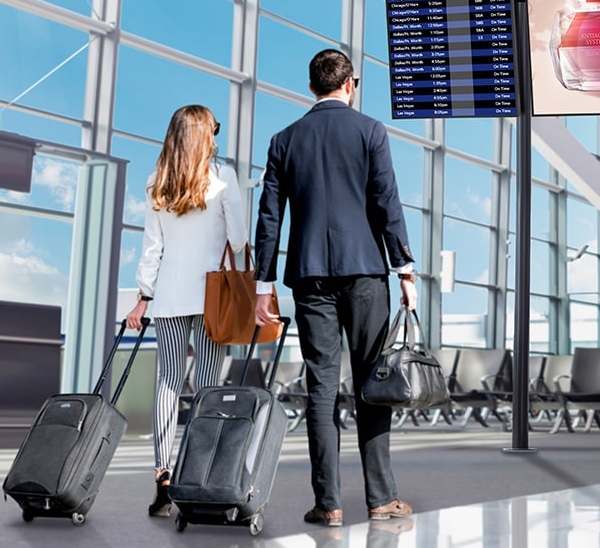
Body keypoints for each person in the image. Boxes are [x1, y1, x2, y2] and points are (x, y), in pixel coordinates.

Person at [253, 49, 417, 528]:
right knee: (372, 383)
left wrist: (264, 285)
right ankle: (382, 498)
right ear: (352, 84)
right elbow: (387, 201)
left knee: (321, 388)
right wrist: (404, 270)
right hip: (365, 272)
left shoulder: (284, 140)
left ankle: (328, 504)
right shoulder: (370, 131)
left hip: (308, 276)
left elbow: (269, 218)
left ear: (311, 88)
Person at [126, 104, 247, 517]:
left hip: (170, 299)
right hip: (214, 297)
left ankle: (163, 475)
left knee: (168, 381)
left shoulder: (156, 183)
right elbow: (240, 237)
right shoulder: (222, 178)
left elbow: (152, 250)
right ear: (204, 135)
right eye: (213, 129)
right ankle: (201, 473)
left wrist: (144, 294)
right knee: (209, 385)